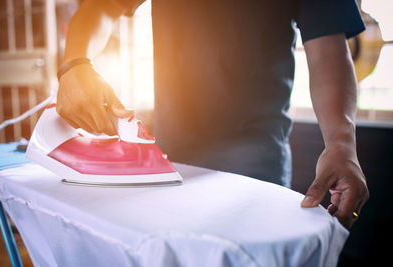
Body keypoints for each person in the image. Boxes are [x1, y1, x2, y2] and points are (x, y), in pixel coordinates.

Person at [56, 0, 369, 229]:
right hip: (171, 153)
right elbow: (102, 5)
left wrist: (341, 143)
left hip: (255, 153)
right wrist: (76, 64)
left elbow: (328, 44)